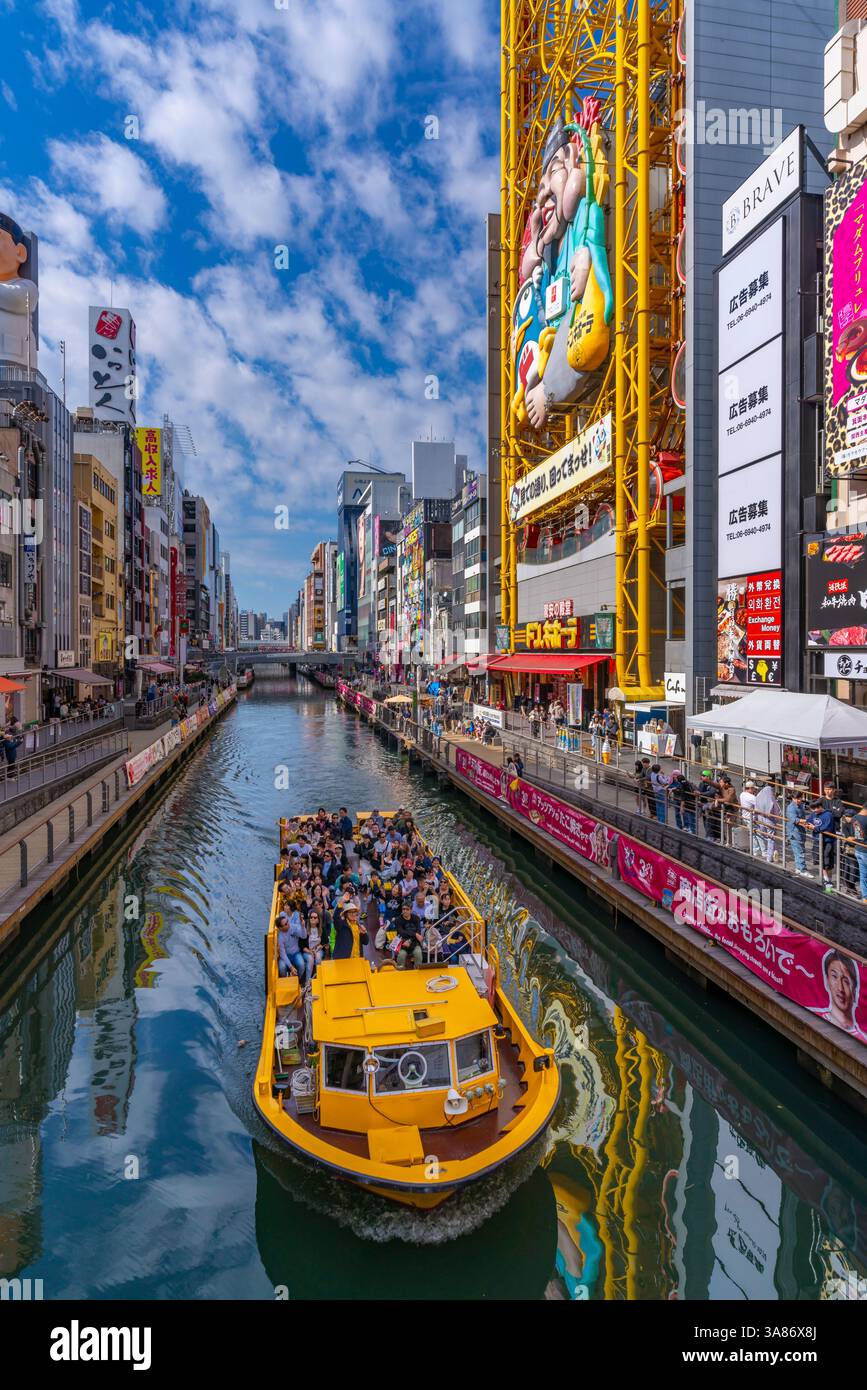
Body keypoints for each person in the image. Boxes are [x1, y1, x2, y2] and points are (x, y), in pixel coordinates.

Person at [754, 779, 780, 864]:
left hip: (760, 819)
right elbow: (777, 811)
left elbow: (755, 808)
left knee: (767, 837)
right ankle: (769, 856)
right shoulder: (771, 799)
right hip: (770, 821)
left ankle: (774, 851)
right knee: (771, 838)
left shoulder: (758, 797)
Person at [277, 910, 308, 982]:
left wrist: (303, 927)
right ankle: (285, 981)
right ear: (280, 928)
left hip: (296, 953)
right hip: (286, 955)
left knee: (302, 965)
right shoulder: (280, 937)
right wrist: (291, 967)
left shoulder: (293, 927)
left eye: (287, 922)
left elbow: (304, 936)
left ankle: (298, 980)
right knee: (282, 968)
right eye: (285, 924)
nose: (288, 924)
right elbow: (282, 954)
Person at [785, 790, 810, 876]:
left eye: (800, 798)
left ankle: (798, 868)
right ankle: (803, 870)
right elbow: (794, 820)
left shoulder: (801, 805)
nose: (798, 800)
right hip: (794, 832)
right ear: (793, 798)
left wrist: (804, 823)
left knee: (799, 851)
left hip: (800, 831)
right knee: (800, 851)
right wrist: (807, 821)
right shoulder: (791, 807)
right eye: (796, 799)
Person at [393, 901, 423, 969]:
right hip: (403, 943)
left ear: (411, 910)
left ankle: (417, 972)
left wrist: (410, 940)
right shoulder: (398, 920)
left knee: (418, 954)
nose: (405, 911)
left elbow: (419, 933)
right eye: (403, 909)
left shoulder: (416, 919)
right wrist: (414, 934)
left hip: (414, 943)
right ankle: (400, 973)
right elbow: (401, 933)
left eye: (407, 909)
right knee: (401, 956)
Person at [847, 801, 867, 905]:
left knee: (863, 875)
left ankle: (865, 897)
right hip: (865, 850)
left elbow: (858, 836)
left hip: (858, 849)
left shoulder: (855, 818)